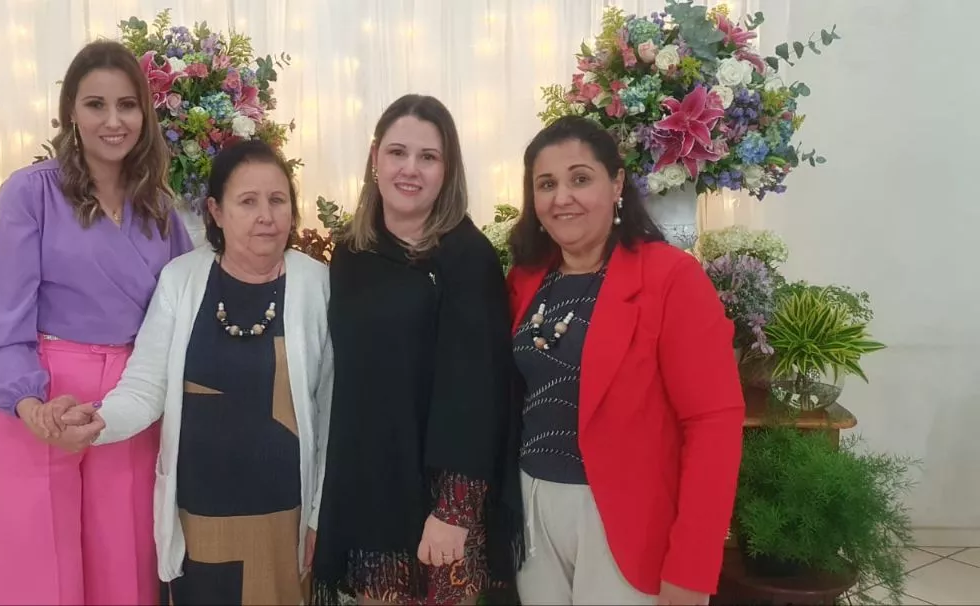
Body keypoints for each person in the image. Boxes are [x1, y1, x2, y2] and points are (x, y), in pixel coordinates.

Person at [54, 139, 333, 605]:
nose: (266, 216)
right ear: (216, 211)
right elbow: (146, 387)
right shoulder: (181, 279)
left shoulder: (317, 284)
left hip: (286, 515)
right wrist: (98, 421)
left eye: (277, 200)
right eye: (248, 201)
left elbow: (330, 412)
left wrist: (321, 515)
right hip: (200, 515)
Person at [0, 40, 191, 606]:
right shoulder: (29, 194)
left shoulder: (160, 209)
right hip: (40, 401)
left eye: (127, 105)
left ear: (145, 113)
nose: (113, 121)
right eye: (96, 104)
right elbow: (1, 314)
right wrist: (31, 407)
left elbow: (185, 308)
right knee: (39, 578)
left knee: (126, 571)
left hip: (131, 403)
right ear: (71, 110)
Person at [504, 116, 745, 605]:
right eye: (546, 184)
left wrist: (693, 565)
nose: (562, 197)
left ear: (616, 184)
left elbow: (713, 423)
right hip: (532, 515)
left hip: (626, 523)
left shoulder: (671, 278)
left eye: (580, 178)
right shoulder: (526, 280)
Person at [311, 94, 522, 606]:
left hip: (443, 506)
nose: (410, 169)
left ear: (447, 170)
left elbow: (478, 392)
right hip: (372, 496)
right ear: (375, 158)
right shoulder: (351, 254)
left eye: (428, 157)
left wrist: (453, 511)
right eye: (397, 152)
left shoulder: (466, 258)